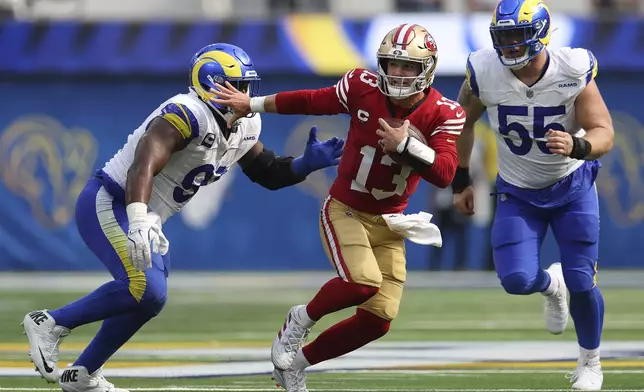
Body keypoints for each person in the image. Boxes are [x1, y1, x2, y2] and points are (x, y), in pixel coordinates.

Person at [21, 43, 344, 392]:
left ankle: (83, 373)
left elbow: (267, 172)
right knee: (145, 288)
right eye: (239, 85)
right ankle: (50, 322)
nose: (248, 94)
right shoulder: (187, 112)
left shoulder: (244, 124)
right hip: (112, 201)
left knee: (150, 299)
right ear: (213, 85)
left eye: (248, 85)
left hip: (146, 214)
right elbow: (143, 163)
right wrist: (139, 217)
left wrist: (303, 165)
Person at [212, 24, 463, 392]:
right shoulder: (362, 87)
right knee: (362, 283)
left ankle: (294, 366)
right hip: (346, 208)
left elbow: (444, 173)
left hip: (391, 222)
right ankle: (300, 319)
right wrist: (250, 104)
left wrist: (406, 145)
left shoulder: (443, 112)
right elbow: (310, 99)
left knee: (379, 320)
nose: (398, 73)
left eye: (408, 66)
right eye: (392, 64)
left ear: (428, 68)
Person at [452, 1, 614, 390]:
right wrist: (460, 180)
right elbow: (462, 122)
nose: (508, 46)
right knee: (516, 279)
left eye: (516, 36)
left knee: (581, 279)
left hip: (572, 186)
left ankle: (590, 362)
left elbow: (603, 131)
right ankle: (548, 285)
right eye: (502, 37)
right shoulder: (485, 70)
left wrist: (577, 146)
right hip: (518, 190)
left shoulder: (572, 67)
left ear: (540, 34)